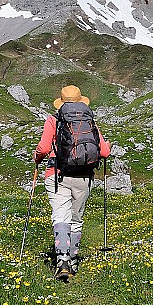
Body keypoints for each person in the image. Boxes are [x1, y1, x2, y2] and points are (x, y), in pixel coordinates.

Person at [33, 85, 111, 282]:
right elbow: (104, 152)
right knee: (76, 219)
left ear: (61, 102)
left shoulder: (54, 119)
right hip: (83, 177)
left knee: (61, 215)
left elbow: (43, 148)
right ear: (80, 101)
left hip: (57, 175)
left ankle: (62, 261)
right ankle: (74, 260)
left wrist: (37, 157)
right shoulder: (89, 121)